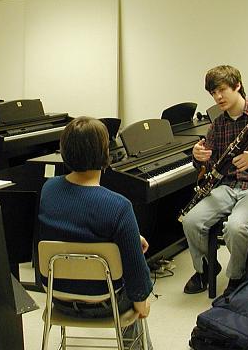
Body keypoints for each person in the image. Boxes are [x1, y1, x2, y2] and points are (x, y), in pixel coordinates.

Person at [38, 116, 152, 344]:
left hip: (56, 298)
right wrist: (143, 304)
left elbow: (73, 229)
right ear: (105, 153)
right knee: (137, 296)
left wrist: (129, 238)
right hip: (105, 303)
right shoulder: (118, 206)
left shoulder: (48, 189)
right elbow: (137, 279)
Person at [181, 65, 248, 295]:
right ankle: (206, 269)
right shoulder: (217, 125)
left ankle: (237, 276)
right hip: (228, 186)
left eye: (222, 90)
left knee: (236, 227)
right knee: (191, 221)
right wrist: (198, 157)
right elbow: (209, 166)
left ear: (237, 85)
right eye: (213, 93)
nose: (218, 97)